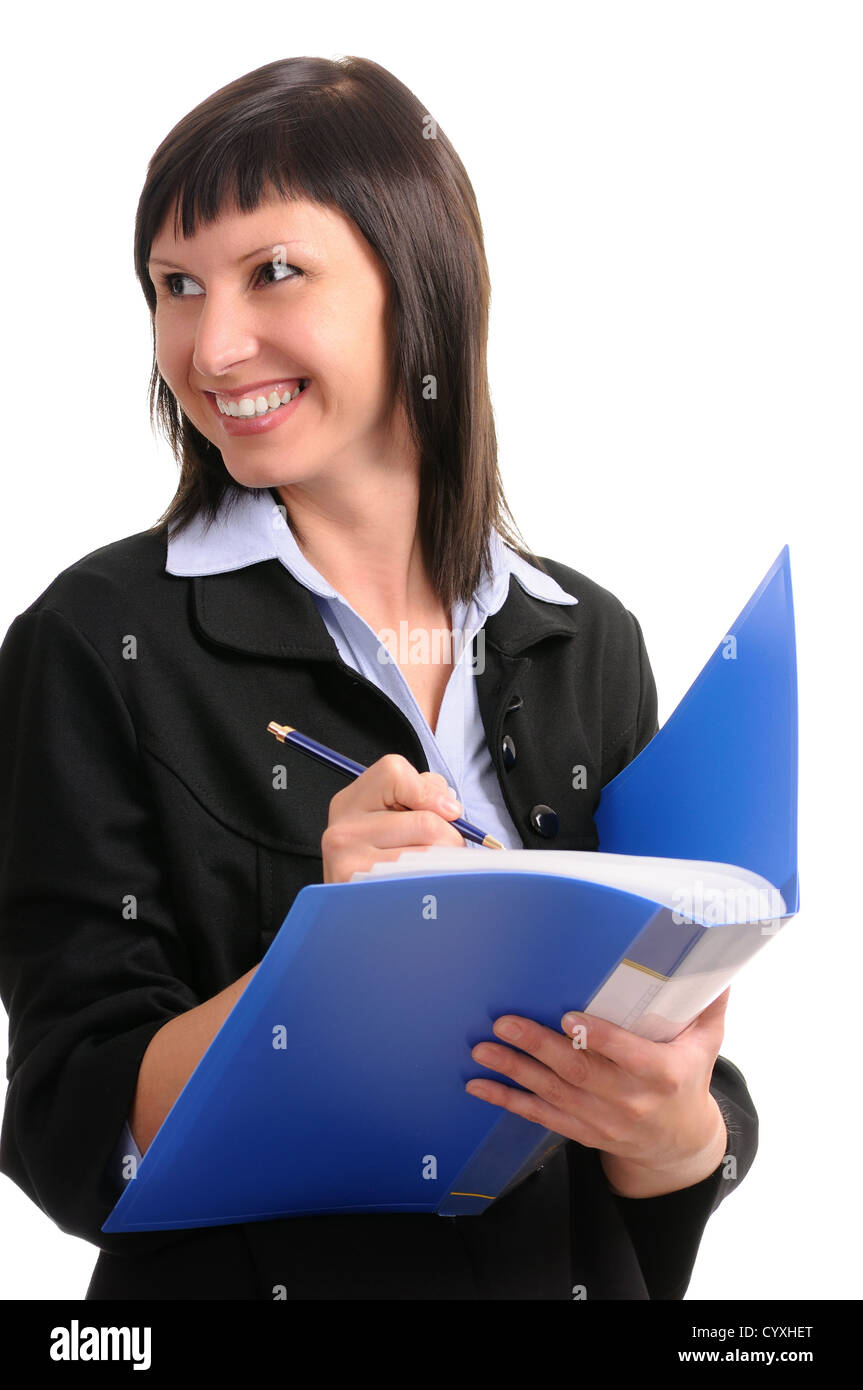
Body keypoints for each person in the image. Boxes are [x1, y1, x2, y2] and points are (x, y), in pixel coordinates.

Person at [0, 55, 757, 1301]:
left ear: (418, 283)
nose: (210, 342)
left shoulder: (587, 642)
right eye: (174, 286)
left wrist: (680, 1132)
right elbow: (75, 1124)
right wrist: (323, 959)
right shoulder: (97, 642)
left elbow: (667, 1089)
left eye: (272, 272)